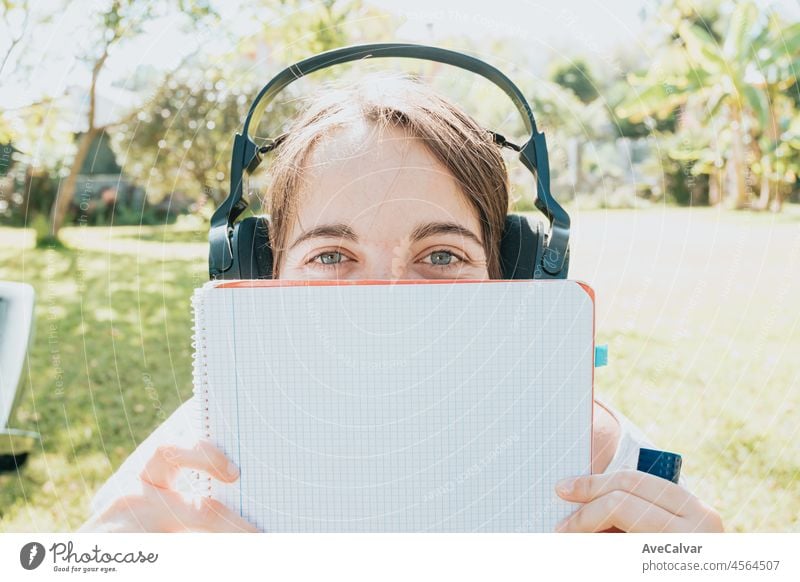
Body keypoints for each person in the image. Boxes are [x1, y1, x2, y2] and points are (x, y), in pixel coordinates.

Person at [79, 74, 723, 533]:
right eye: (331, 256)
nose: (384, 303)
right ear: (261, 269)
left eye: (441, 256)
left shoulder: (612, 472)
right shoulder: (197, 458)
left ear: (513, 269)